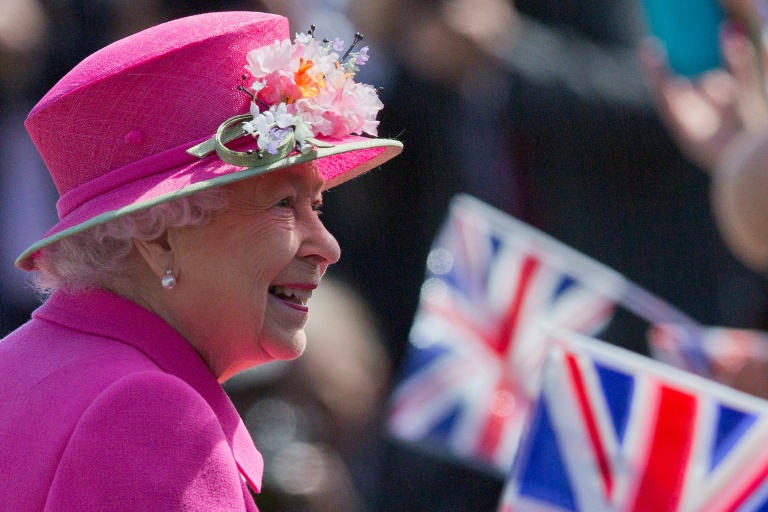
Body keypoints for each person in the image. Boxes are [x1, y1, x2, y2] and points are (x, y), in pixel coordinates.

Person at [0, 10, 401, 511]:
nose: (327, 246)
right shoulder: (149, 415)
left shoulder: (19, 367)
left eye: (315, 206)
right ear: (161, 238)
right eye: (283, 205)